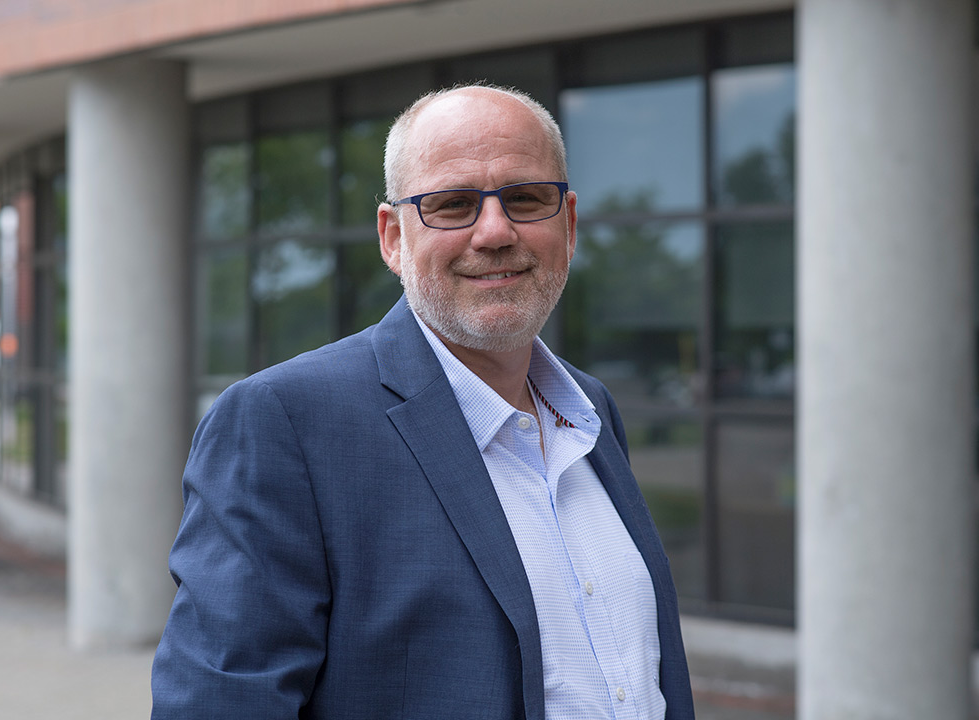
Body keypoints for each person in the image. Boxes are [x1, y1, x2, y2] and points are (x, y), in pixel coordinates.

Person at [150, 84, 695, 720]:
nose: (494, 231)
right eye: (452, 204)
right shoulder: (285, 423)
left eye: (525, 199)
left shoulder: (589, 412)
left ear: (568, 224)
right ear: (392, 238)